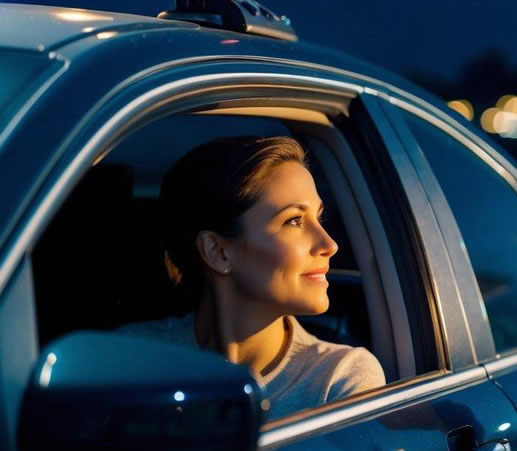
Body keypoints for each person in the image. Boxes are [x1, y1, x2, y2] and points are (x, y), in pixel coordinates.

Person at [118, 135, 386, 419]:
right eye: (294, 220)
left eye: (318, 218)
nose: (329, 244)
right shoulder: (130, 357)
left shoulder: (340, 379)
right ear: (217, 251)